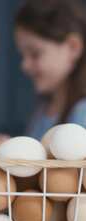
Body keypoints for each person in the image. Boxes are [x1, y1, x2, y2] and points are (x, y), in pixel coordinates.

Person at [16, 0, 86, 139]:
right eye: (23, 55)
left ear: (73, 47)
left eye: (35, 54)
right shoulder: (43, 109)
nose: (24, 65)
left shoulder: (82, 113)